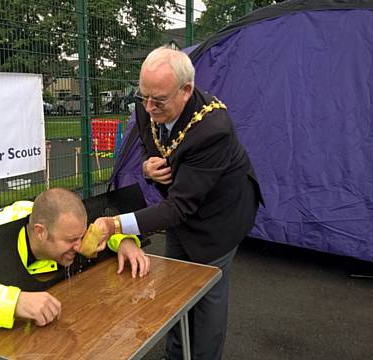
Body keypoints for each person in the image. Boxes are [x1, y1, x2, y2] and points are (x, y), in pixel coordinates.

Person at [92, 47, 262, 360]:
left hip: (220, 217)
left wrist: (114, 224)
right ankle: (176, 354)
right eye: (144, 96)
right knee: (175, 287)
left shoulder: (214, 130)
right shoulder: (149, 103)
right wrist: (146, 166)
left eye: (158, 100)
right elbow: (149, 145)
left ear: (185, 91)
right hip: (181, 208)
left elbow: (177, 209)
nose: (148, 107)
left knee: (206, 295)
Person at [0, 188, 150, 331]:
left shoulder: (61, 222)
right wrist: (13, 302)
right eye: (72, 240)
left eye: (81, 237)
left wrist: (123, 241)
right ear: (40, 232)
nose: (80, 246)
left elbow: (98, 226)